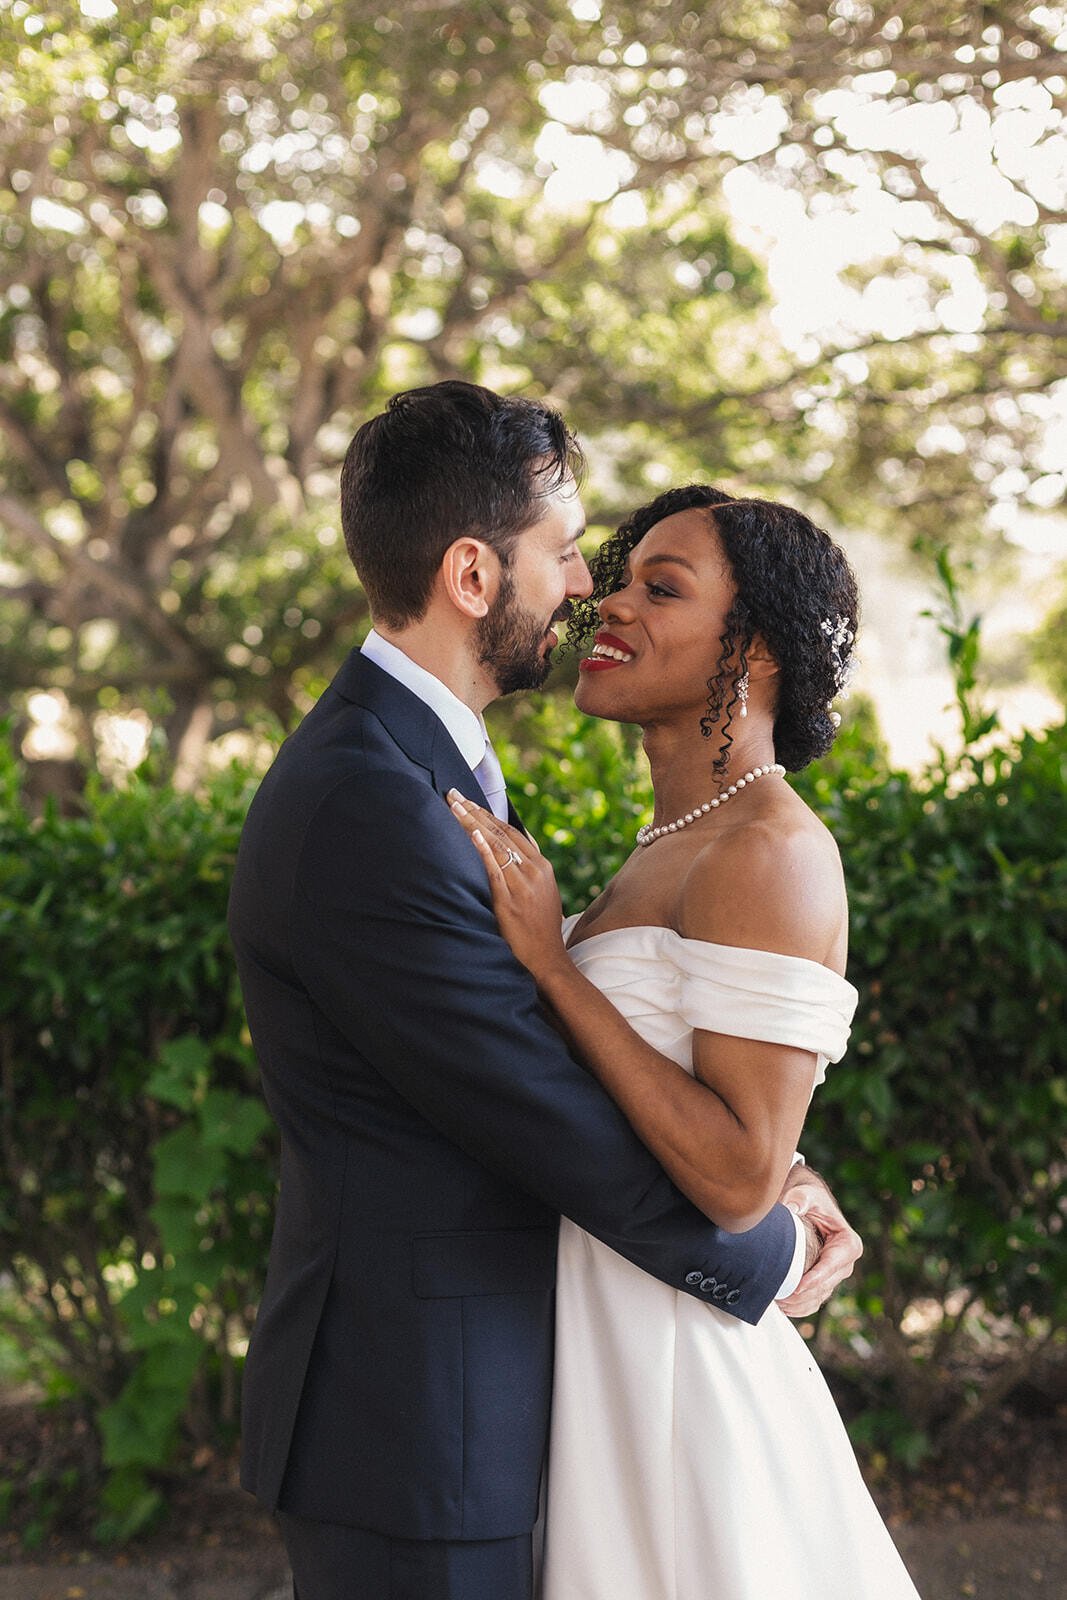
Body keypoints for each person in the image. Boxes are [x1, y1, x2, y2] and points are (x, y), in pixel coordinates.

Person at [227, 384, 860, 1600]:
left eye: (637, 579)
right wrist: (764, 1244)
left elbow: (573, 1061)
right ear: (473, 573)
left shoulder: (432, 766)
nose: (587, 590)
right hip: (420, 1415)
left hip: (536, 1392)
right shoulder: (371, 794)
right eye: (569, 555)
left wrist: (763, 1169)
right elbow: (537, 1107)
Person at [448, 482, 922, 1599]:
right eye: (615, 579)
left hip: (680, 1378)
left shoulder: (769, 850)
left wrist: (554, 968)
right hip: (604, 1345)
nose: (605, 606)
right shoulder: (670, 842)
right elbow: (717, 1112)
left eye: (659, 589)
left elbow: (732, 1174)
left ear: (754, 648)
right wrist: (799, 1174)